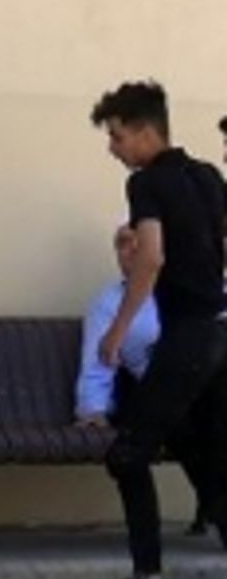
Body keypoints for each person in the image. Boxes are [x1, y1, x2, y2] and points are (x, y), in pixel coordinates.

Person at [84, 81, 227, 579]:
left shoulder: (146, 183)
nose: (113, 148)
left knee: (128, 455)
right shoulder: (208, 176)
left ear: (146, 132)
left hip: (187, 338)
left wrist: (117, 330)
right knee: (204, 454)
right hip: (217, 337)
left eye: (117, 136)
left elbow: (150, 257)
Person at [75, 225, 214, 537]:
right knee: (185, 428)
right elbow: (98, 361)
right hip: (160, 396)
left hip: (209, 389)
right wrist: (92, 408)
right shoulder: (109, 303)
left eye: (138, 244)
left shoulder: (191, 293)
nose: (129, 251)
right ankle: (215, 503)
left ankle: (214, 502)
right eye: (122, 244)